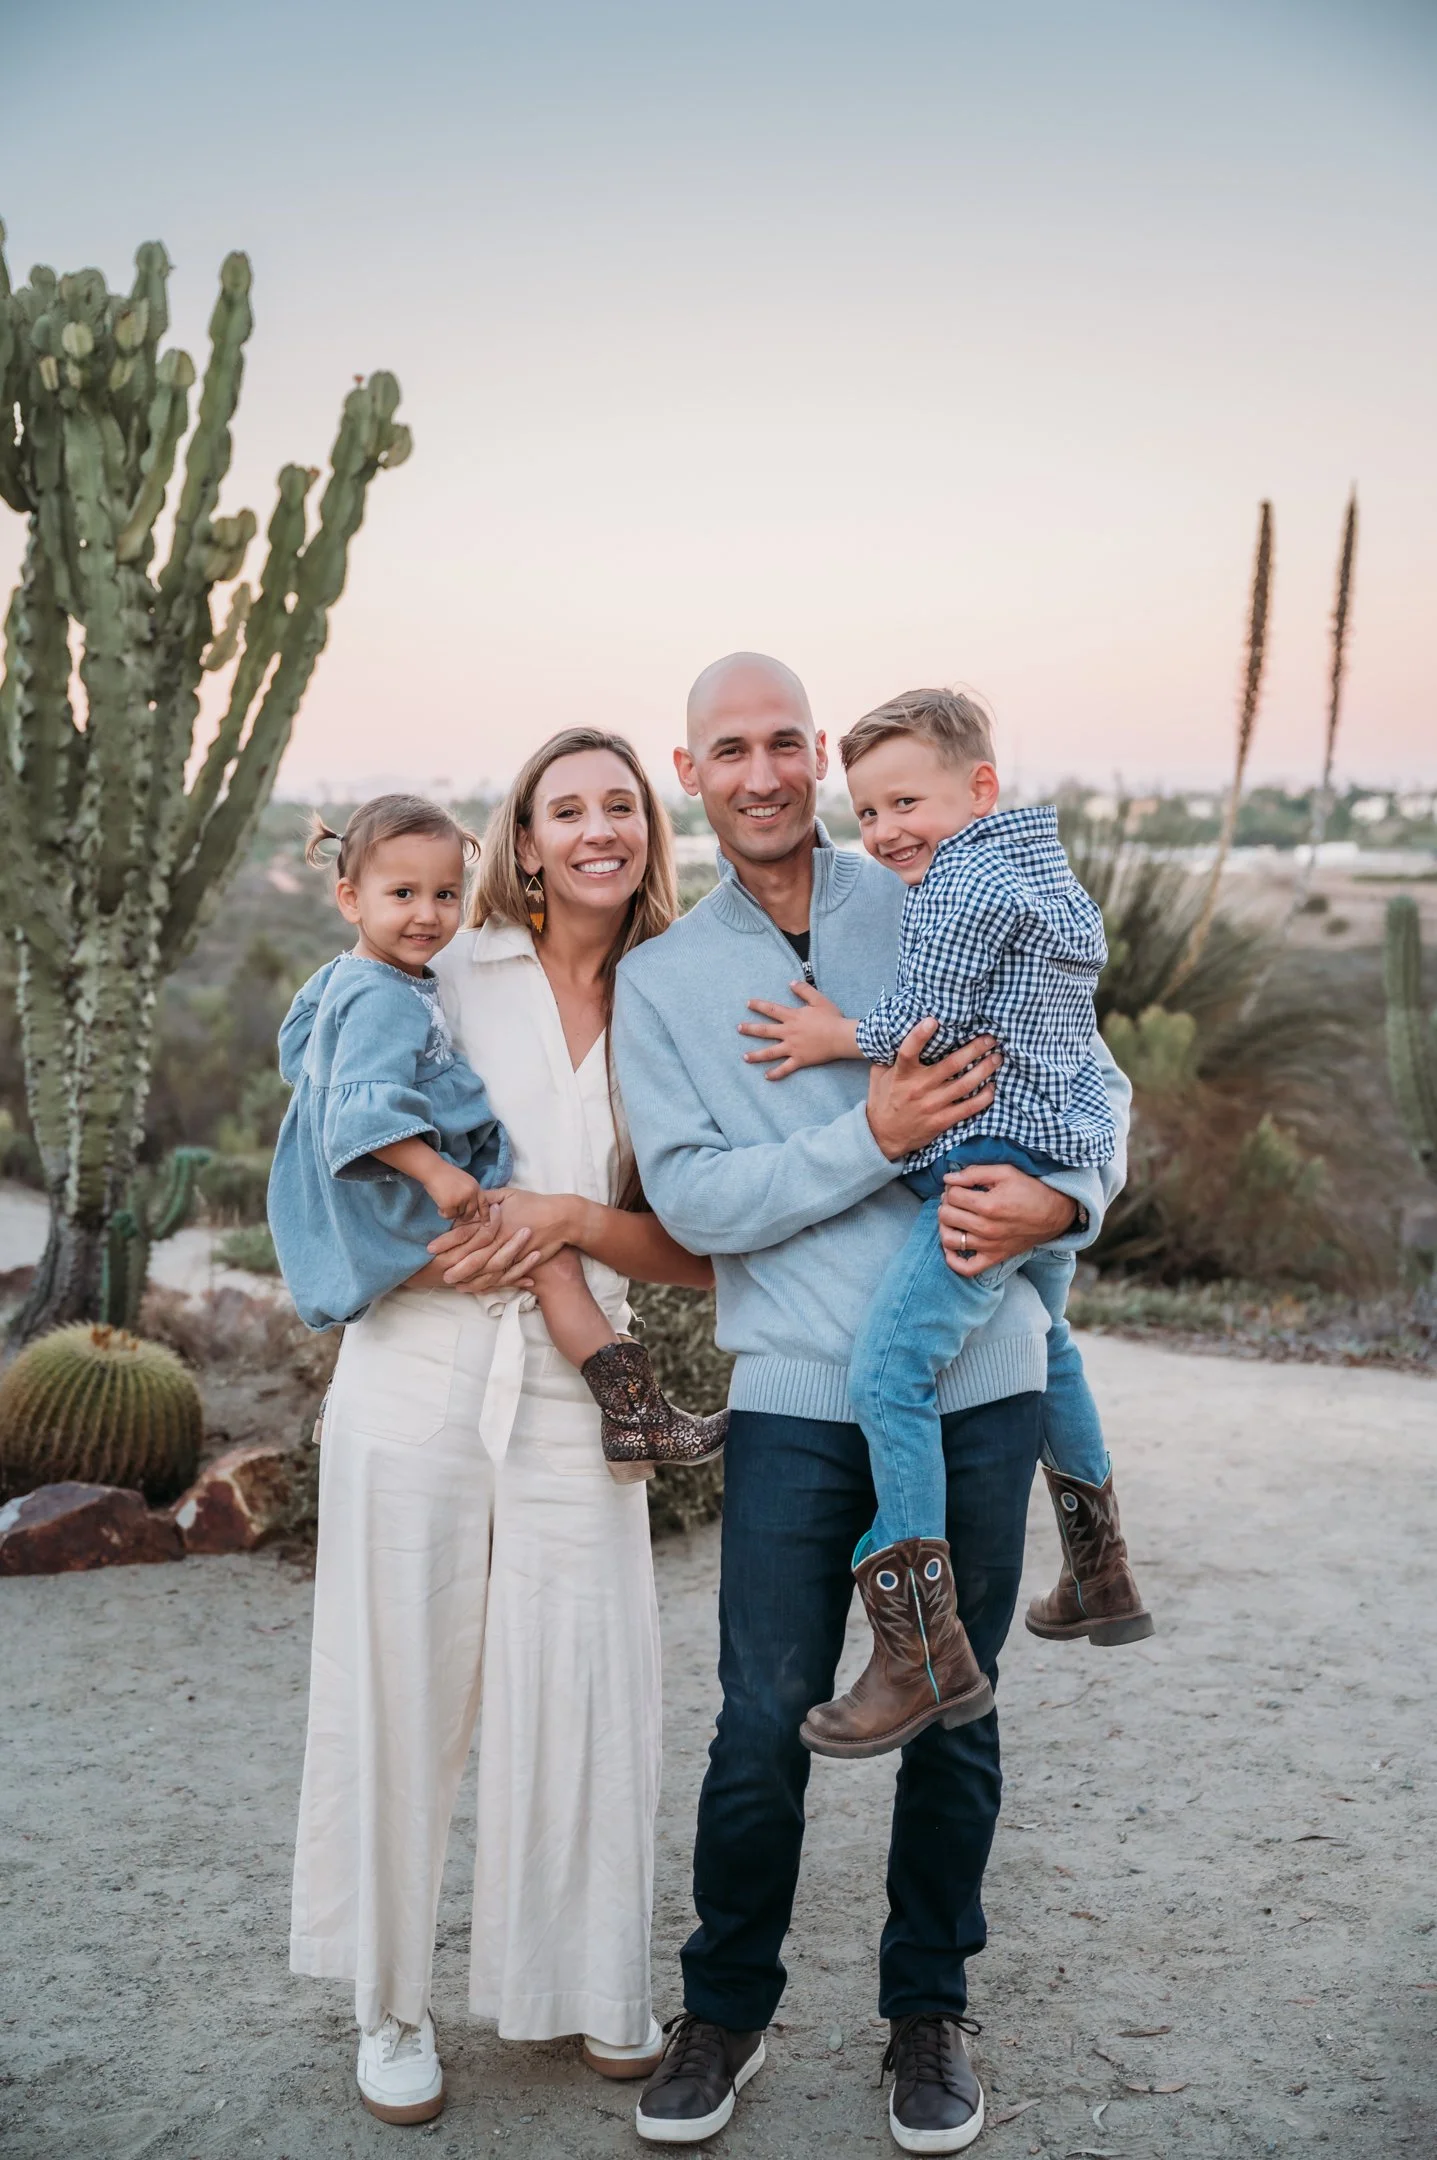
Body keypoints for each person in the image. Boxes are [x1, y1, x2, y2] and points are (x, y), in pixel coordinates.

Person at [611, 654, 1131, 2155]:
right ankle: (725, 2010)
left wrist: (1066, 1200)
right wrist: (873, 1130)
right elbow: (700, 1201)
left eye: (787, 743)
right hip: (791, 1391)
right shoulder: (664, 980)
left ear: (821, 755)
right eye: (731, 749)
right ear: (690, 770)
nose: (764, 771)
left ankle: (927, 2012)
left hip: (979, 1381)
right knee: (761, 1717)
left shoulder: (932, 881)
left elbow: (1085, 1081)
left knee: (953, 1710)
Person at [281, 747, 715, 2127]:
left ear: (652, 832)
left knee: (591, 1675)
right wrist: (411, 1270)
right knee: (401, 1673)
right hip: (415, 1367)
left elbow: (703, 1250)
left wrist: (574, 1223)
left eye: (621, 804)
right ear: (520, 844)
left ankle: (590, 1983)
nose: (597, 828)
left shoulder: (682, 1003)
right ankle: (391, 2005)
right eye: (565, 807)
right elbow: (320, 1150)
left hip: (578, 1388)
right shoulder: (440, 968)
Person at [734, 687, 1151, 1762]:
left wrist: (834, 1035)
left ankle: (921, 1649)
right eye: (867, 814)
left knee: (888, 1374)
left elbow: (930, 1021)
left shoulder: (963, 888)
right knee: (1050, 1346)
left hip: (983, 1172)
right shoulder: (1036, 867)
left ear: (980, 786)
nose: (884, 835)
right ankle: (1102, 1570)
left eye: (905, 802)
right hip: (1044, 1150)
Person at [270, 792, 722, 1469]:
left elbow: (301, 1052)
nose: (427, 914)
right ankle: (636, 1415)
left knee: (547, 1260)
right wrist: (435, 1170)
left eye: (446, 894)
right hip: (396, 1201)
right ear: (349, 899)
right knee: (551, 1264)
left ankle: (635, 1413)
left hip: (382, 1204)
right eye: (402, 893)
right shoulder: (380, 996)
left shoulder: (360, 979)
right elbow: (360, 1113)